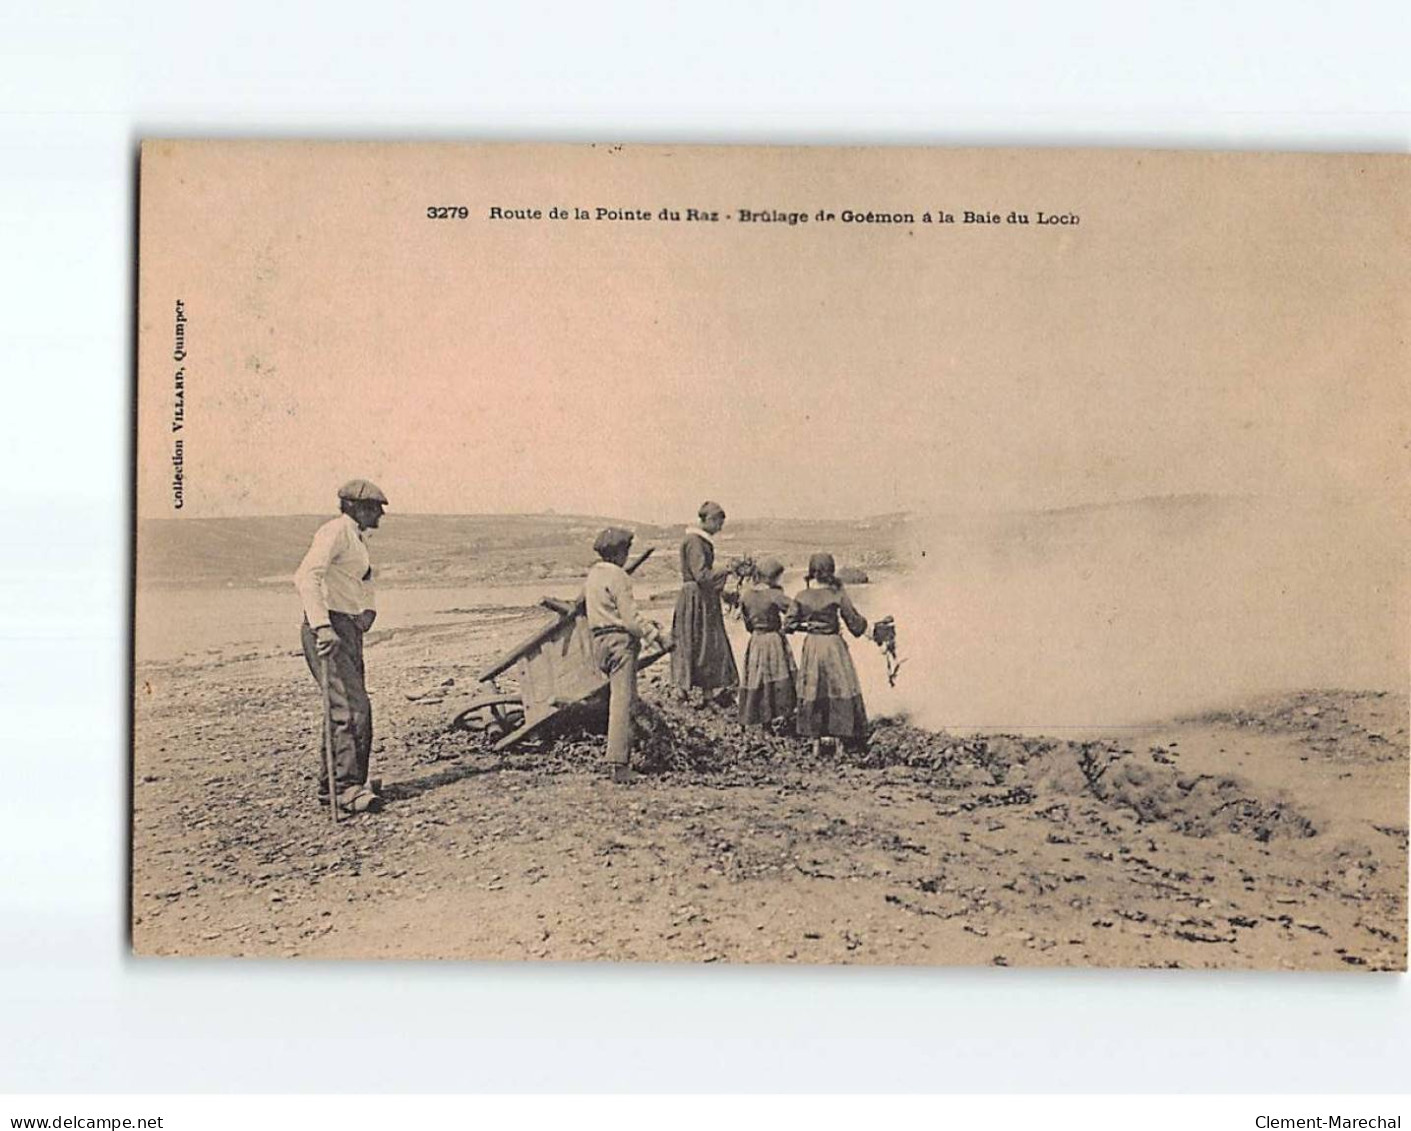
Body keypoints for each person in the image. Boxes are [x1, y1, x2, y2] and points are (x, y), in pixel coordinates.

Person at [294, 479, 387, 814]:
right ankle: (345, 789)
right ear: (353, 507)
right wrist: (321, 625)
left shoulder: (357, 539)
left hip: (347, 627)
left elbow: (363, 580)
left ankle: (341, 782)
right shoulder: (334, 531)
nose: (379, 514)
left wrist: (368, 609)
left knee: (348, 707)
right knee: (350, 708)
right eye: (374, 508)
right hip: (328, 628)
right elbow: (306, 576)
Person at [584, 526, 665, 784]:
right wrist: (656, 636)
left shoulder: (593, 575)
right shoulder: (618, 576)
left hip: (599, 642)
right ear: (620, 553)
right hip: (620, 643)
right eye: (626, 551)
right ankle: (619, 764)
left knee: (616, 698)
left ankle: (624, 753)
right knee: (623, 701)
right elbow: (630, 620)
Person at [786, 552, 869, 754]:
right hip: (833, 646)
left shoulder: (801, 596)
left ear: (811, 571)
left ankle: (815, 740)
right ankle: (840, 740)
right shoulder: (837, 594)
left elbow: (789, 624)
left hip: (812, 646)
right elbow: (854, 623)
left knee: (813, 689)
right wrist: (866, 628)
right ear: (831, 571)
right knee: (838, 687)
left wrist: (810, 627)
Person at [669, 500, 739, 702]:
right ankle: (683, 690)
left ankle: (704, 691)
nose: (720, 528)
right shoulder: (695, 541)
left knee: (701, 643)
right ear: (709, 520)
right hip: (696, 599)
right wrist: (725, 569)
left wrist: (722, 591)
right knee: (697, 642)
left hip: (701, 597)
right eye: (718, 523)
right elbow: (701, 575)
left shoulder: (698, 540)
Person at [738, 557, 798, 727]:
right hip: (773, 640)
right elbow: (794, 607)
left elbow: (747, 623)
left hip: (756, 640)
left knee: (758, 678)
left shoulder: (747, 595)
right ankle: (779, 716)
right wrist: (789, 625)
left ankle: (761, 718)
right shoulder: (774, 594)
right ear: (773, 577)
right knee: (778, 675)